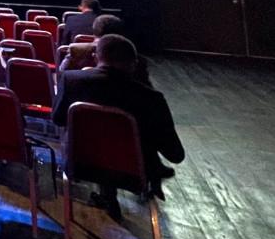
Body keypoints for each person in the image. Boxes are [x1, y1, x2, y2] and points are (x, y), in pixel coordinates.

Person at [53, 23, 184, 210]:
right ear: (134, 63)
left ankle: (106, 196)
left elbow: (58, 119)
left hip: (80, 162)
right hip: (134, 173)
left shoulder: (71, 80)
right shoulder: (151, 99)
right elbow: (175, 154)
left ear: (96, 57)